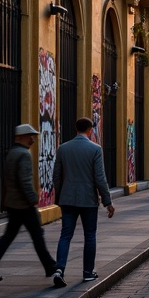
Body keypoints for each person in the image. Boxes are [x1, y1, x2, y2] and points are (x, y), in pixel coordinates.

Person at [0, 123, 57, 283]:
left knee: (8, 237)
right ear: (21, 137)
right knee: (37, 236)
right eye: (30, 136)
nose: (33, 139)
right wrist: (33, 198)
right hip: (24, 205)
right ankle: (50, 266)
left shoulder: (12, 153)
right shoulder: (23, 154)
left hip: (13, 203)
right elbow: (25, 180)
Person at [52, 117, 115, 287]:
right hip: (88, 199)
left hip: (68, 198)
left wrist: (59, 196)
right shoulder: (95, 149)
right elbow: (100, 178)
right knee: (89, 235)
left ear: (76, 129)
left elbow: (56, 175)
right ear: (90, 130)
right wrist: (107, 201)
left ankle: (59, 269)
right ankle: (88, 272)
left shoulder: (63, 148)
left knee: (66, 234)